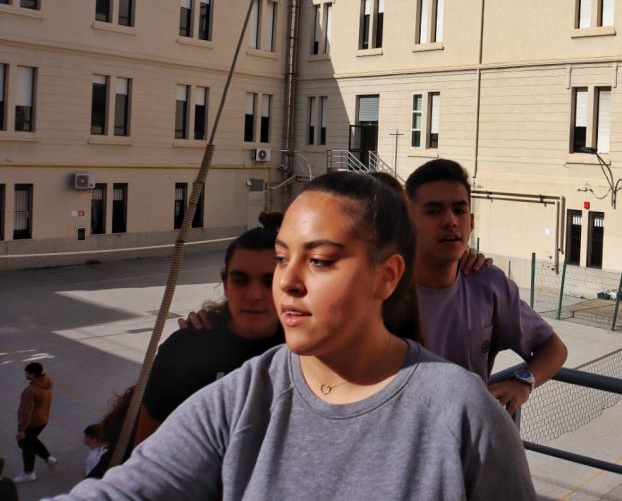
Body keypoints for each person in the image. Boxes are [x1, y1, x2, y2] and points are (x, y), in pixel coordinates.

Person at [56, 172, 536, 500]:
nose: (286, 281)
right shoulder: (241, 399)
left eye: (320, 260)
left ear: (387, 276)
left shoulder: (461, 413)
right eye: (283, 258)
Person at [405, 159, 568, 411]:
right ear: (407, 222)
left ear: (471, 222)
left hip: (467, 433)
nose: (450, 221)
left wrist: (523, 382)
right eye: (434, 211)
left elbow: (554, 348)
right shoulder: (383, 288)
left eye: (459, 211)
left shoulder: (489, 285)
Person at [135, 213, 286, 443]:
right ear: (225, 284)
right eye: (240, 280)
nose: (254, 295)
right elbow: (147, 443)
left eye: (269, 281)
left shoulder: (305, 351)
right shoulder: (184, 350)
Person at [14, 362, 56, 484]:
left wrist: (21, 430)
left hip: (32, 422)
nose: (25, 375)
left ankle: (29, 473)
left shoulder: (30, 391)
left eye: (27, 373)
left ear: (32, 375)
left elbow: (25, 412)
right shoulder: (47, 382)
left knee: (26, 445)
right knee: (32, 440)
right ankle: (47, 457)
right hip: (43, 419)